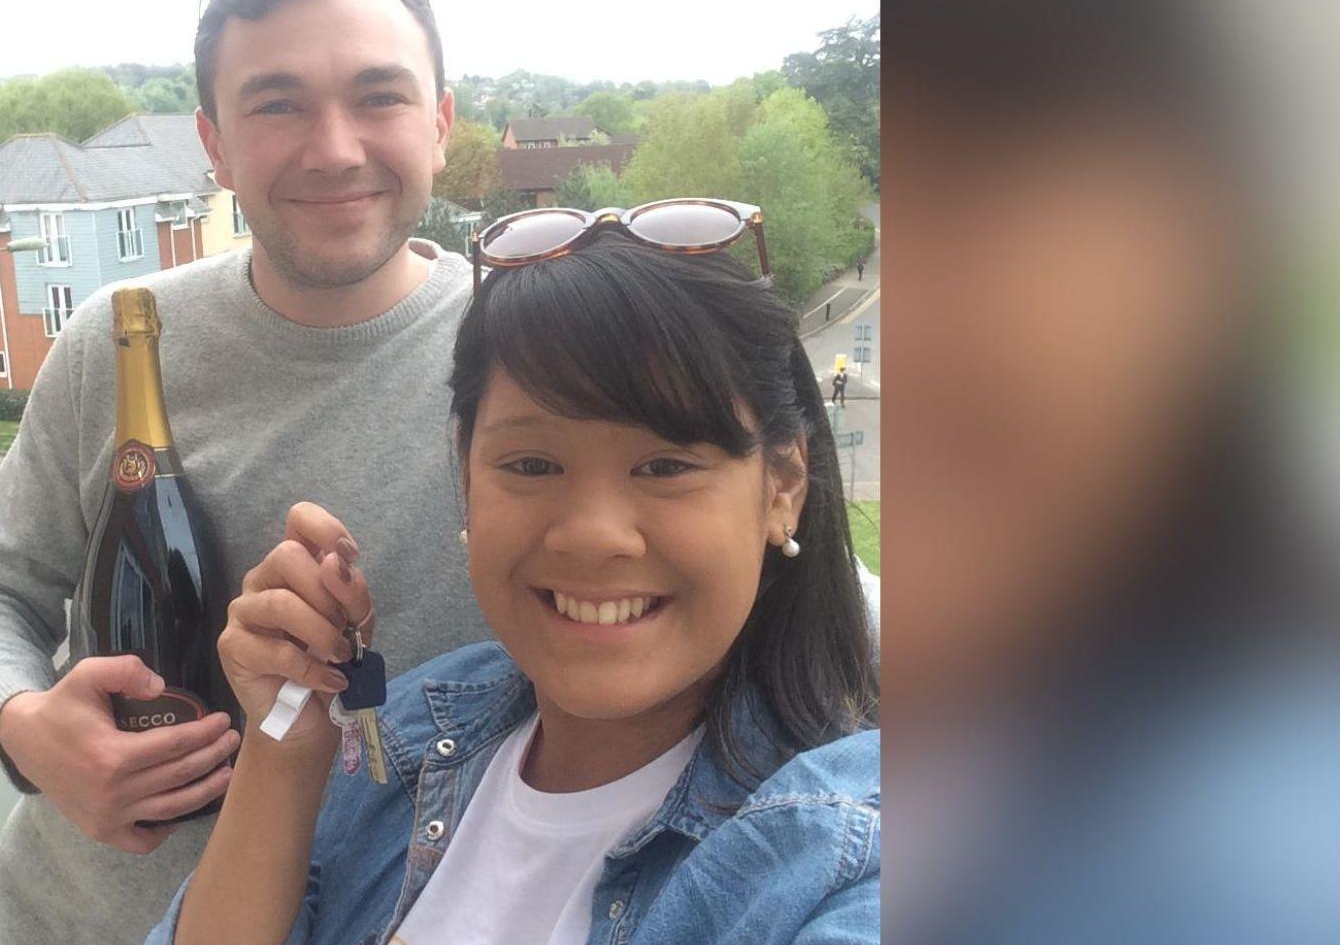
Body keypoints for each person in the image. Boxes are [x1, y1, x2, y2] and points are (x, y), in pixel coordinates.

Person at [0, 0, 492, 943]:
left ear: (442, 123)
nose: (334, 148)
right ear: (214, 142)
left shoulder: (535, 353)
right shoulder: (115, 341)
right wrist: (26, 731)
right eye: (277, 103)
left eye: (379, 95)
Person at [152, 211, 881, 944]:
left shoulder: (852, 854)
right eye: (532, 465)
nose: (593, 537)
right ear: (465, 474)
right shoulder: (403, 738)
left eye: (665, 466)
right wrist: (284, 751)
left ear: (783, 483)